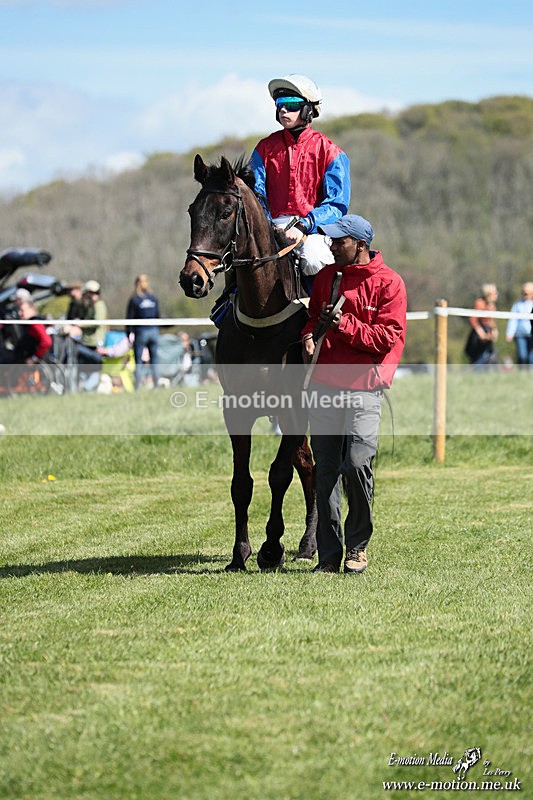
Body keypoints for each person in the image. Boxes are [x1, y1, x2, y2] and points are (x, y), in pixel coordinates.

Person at [301, 214, 407, 574]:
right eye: (330, 240)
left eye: (339, 241)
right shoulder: (326, 278)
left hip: (365, 388)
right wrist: (308, 336)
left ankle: (358, 547)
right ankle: (329, 555)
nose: (331, 246)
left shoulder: (390, 284)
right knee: (326, 471)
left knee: (358, 463)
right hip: (325, 386)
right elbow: (313, 318)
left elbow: (385, 339)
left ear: (360, 245)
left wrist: (341, 325)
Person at [250, 73, 351, 281]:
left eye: (291, 104)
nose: (283, 109)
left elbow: (337, 205)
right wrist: (267, 224)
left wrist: (304, 225)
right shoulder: (263, 148)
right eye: (280, 104)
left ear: (308, 109)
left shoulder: (331, 151)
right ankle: (227, 305)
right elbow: (255, 193)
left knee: (314, 259)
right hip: (270, 225)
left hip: (314, 228)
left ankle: (319, 310)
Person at [126, 274, 160, 389]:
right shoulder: (153, 298)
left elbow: (129, 319)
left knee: (138, 361)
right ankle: (156, 385)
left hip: (141, 331)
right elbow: (157, 316)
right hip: (154, 331)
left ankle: (138, 387)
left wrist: (128, 335)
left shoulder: (134, 299)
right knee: (154, 360)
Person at [0, 298, 52, 363]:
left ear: (32, 310)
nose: (19, 313)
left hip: (32, 365)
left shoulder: (35, 324)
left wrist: (34, 358)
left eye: (22, 310)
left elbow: (47, 341)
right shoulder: (29, 324)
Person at [465, 283, 499, 367]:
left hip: (487, 332)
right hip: (478, 334)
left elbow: (491, 321)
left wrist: (494, 330)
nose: (497, 295)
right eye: (495, 293)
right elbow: (473, 319)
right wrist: (480, 332)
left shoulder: (492, 306)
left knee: (488, 354)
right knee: (478, 356)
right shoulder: (479, 303)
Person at [74, 280, 107, 365]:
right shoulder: (91, 305)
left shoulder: (99, 305)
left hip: (94, 342)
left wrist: (81, 324)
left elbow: (97, 322)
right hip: (87, 341)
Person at [505, 282, 533, 368]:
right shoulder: (517, 305)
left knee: (531, 357)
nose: (525, 294)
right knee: (522, 355)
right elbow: (513, 320)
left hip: (531, 334)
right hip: (520, 334)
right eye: (524, 292)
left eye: (527, 292)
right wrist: (509, 333)